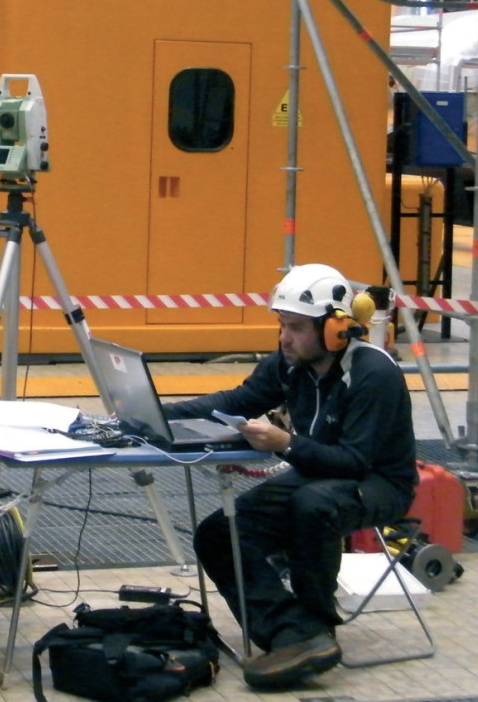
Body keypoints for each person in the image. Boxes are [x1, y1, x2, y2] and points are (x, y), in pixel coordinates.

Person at [161, 263, 417, 690]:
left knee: (312, 506)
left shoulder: (374, 373)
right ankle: (293, 634)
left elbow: (355, 460)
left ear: (335, 328)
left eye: (296, 328)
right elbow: (241, 398)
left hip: (378, 482)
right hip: (316, 474)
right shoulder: (291, 361)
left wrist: (285, 443)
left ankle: (318, 625)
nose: (284, 338)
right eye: (282, 326)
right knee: (219, 533)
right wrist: (155, 414)